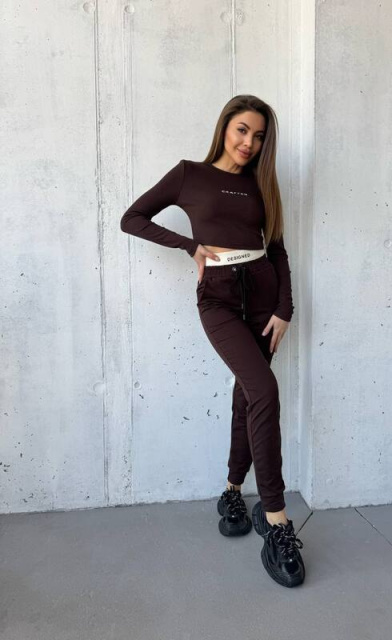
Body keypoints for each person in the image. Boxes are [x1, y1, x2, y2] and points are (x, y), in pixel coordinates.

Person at [120, 94, 305, 588]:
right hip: (219, 299)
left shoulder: (262, 184)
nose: (249, 143)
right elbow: (132, 218)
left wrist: (285, 308)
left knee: (248, 395)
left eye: (259, 136)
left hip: (263, 298)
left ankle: (232, 491)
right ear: (225, 127)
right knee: (264, 390)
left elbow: (278, 249)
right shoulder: (189, 175)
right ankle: (277, 520)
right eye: (243, 130)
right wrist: (190, 247)